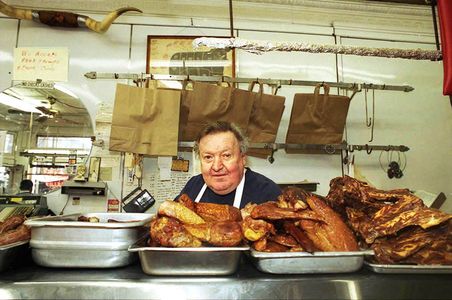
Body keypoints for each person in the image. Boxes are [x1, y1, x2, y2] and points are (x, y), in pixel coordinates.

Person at [176, 121, 282, 209]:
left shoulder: (268, 193)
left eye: (226, 155)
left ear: (243, 158)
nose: (216, 167)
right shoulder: (193, 186)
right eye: (208, 157)